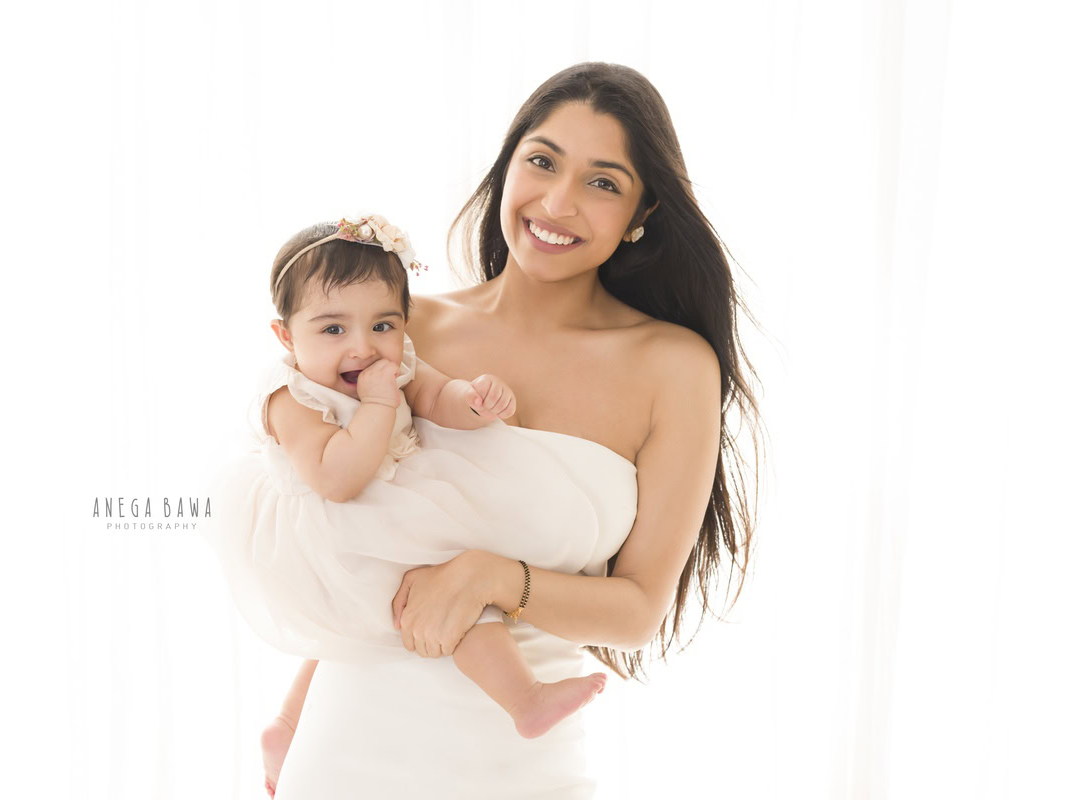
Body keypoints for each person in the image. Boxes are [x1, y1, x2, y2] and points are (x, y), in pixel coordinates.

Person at [261, 62, 763, 799]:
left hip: (521, 761)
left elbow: (637, 610)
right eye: (542, 161)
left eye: (603, 182)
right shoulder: (401, 328)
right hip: (347, 750)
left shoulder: (673, 365)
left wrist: (492, 577)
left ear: (643, 210)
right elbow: (353, 534)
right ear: (507, 167)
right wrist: (286, 721)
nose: (557, 202)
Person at [205, 215, 615, 797]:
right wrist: (375, 404)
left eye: (382, 324)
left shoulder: (392, 365)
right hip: (332, 527)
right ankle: (525, 700)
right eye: (332, 329)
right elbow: (336, 477)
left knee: (387, 610)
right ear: (286, 337)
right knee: (444, 587)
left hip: (378, 515)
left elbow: (433, 396)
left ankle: (286, 727)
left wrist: (473, 401)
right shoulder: (289, 395)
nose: (361, 346)